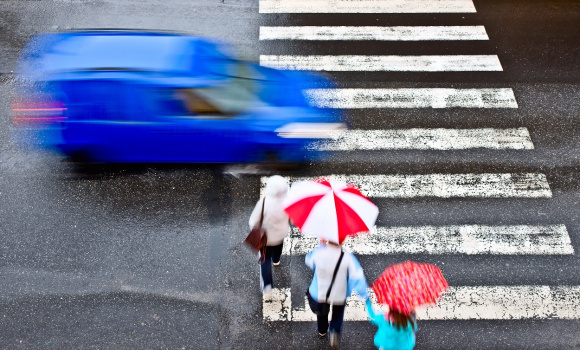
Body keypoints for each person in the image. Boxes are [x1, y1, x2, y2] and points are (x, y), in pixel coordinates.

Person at [305, 239, 369, 348]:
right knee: (338, 314)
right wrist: (364, 295)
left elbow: (309, 261)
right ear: (343, 240)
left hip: (320, 293)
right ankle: (334, 331)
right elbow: (357, 278)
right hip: (340, 293)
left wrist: (320, 245)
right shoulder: (348, 258)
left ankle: (322, 330)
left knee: (322, 313)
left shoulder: (319, 254)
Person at [248, 175, 289, 297]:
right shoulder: (287, 202)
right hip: (280, 234)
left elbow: (253, 221)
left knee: (264, 260)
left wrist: (254, 230)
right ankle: (276, 260)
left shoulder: (264, 203)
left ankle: (267, 286)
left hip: (265, 238)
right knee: (278, 249)